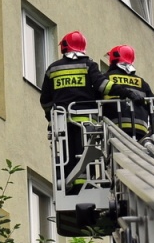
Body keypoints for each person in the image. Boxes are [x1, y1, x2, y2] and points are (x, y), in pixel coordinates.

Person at [40, 31, 142, 190]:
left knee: (67, 155)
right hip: (86, 121)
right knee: (84, 155)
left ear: (65, 47)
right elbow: (103, 86)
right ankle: (84, 185)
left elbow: (45, 100)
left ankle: (69, 183)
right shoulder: (88, 65)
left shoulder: (53, 68)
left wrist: (50, 118)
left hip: (62, 123)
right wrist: (127, 93)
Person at [102, 44, 154, 141]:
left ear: (113, 59)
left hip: (115, 128)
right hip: (139, 130)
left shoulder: (107, 78)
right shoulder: (141, 82)